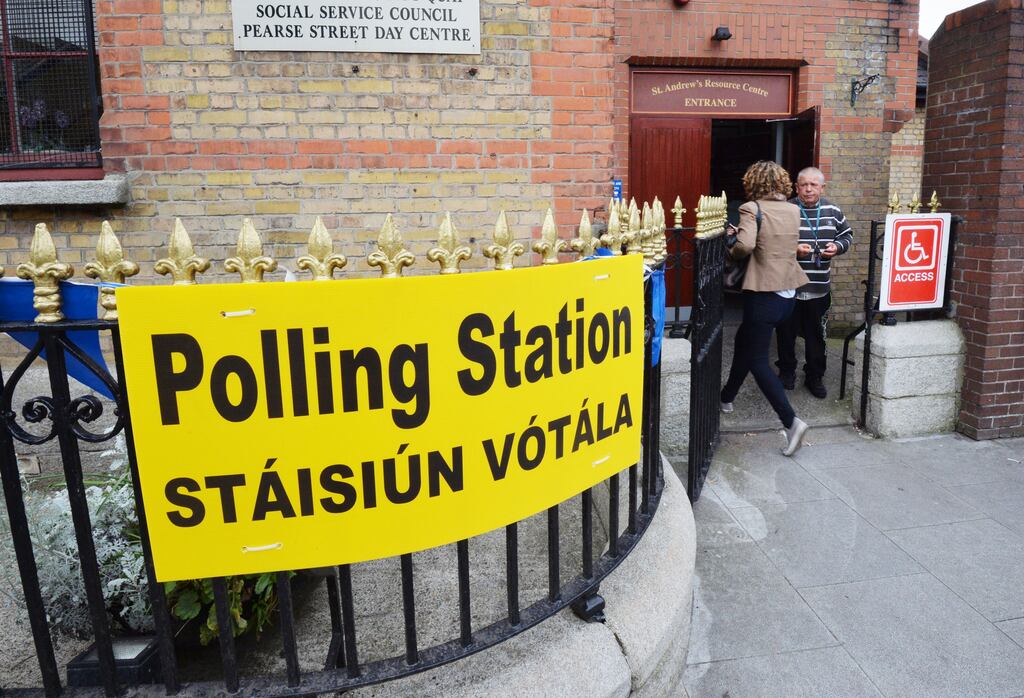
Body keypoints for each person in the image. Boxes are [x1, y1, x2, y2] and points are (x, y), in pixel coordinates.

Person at [720, 161, 810, 456]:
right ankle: (726, 397)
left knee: (758, 360)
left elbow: (745, 246)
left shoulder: (751, 208)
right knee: (745, 340)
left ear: (753, 183)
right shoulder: (794, 210)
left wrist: (731, 244)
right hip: (788, 294)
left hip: (764, 295)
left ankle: (791, 421)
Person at [776, 166, 853, 399]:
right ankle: (787, 373)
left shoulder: (833, 210)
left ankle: (814, 376)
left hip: (819, 288)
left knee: (816, 336)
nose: (808, 189)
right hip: (789, 287)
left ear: (822, 187)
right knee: (785, 334)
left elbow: (847, 235)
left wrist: (837, 247)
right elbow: (773, 243)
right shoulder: (786, 209)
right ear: (796, 187)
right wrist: (793, 250)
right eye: (803, 185)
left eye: (813, 185)